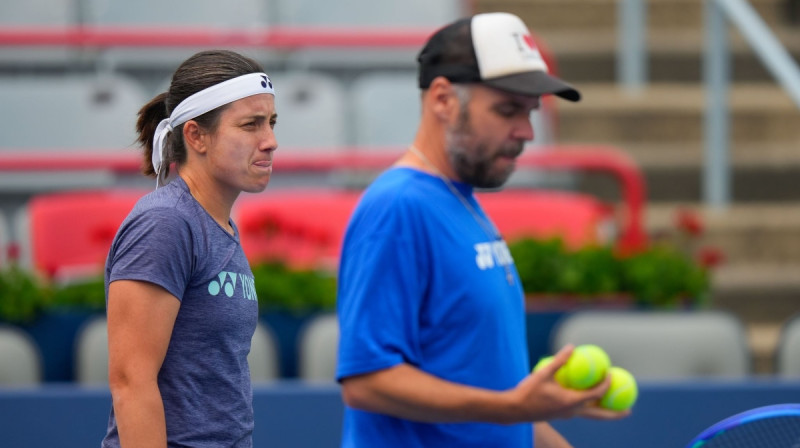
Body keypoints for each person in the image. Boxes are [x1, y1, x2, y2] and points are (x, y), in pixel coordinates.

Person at [336, 12, 630, 448]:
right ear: (442, 99)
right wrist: (514, 409)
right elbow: (367, 383)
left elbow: (497, 391)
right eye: (508, 110)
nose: (526, 132)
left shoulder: (461, 203)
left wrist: (538, 423)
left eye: (530, 112)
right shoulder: (397, 207)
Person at [102, 49, 277, 447]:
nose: (270, 141)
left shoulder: (216, 224)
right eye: (251, 125)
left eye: (271, 123)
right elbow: (131, 382)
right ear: (195, 135)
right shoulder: (166, 222)